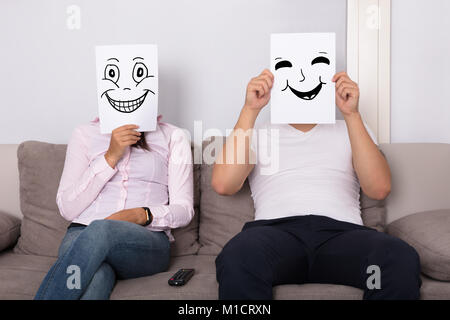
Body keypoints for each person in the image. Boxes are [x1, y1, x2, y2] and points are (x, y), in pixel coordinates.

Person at [212, 69, 421, 300]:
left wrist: (352, 115)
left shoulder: (350, 129)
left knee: (397, 257)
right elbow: (223, 184)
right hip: (274, 238)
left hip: (342, 239)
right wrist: (249, 110)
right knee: (239, 255)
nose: (302, 82)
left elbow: (379, 188)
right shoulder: (258, 133)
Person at [34, 116, 194, 299]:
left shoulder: (173, 136)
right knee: (98, 274)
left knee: (101, 229)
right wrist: (110, 156)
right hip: (82, 233)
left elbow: (184, 210)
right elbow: (68, 208)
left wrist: (140, 215)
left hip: (146, 240)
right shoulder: (85, 133)